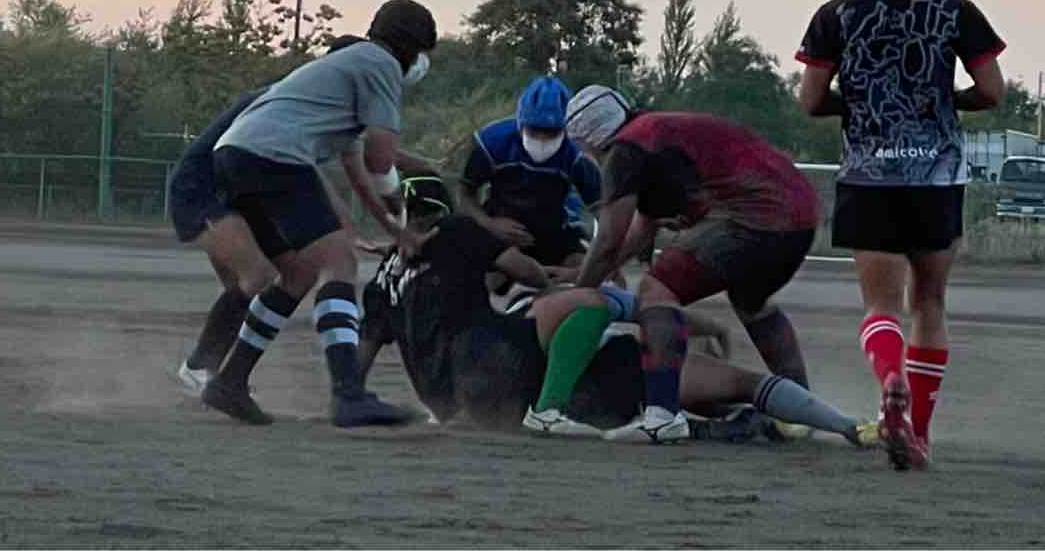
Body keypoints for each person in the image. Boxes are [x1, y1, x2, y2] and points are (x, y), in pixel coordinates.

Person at [358, 168, 870, 445]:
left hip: (458, 402)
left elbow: (358, 360)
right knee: (730, 379)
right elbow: (565, 288)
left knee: (703, 393)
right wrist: (699, 322)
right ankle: (845, 426)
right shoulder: (470, 248)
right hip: (577, 373)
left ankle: (722, 425)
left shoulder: (384, 280)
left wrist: (357, 400)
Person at [795, 0, 1006, 471]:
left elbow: (810, 100)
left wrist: (857, 103)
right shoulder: (955, 9)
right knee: (930, 302)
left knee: (880, 306)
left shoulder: (836, 13)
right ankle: (921, 433)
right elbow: (992, 90)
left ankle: (890, 378)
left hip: (870, 176)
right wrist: (944, 100)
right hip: (936, 177)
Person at [201, 0, 438, 428]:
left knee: (298, 273)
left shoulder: (347, 70)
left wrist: (393, 228)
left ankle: (230, 382)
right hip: (274, 156)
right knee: (339, 263)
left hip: (233, 155)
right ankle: (349, 395)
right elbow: (381, 161)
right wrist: (402, 213)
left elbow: (358, 168)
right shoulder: (382, 65)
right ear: (409, 46)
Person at [563, 88, 824, 444]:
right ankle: (800, 408)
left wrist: (577, 294)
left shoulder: (625, 150)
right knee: (749, 300)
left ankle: (662, 414)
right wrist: (595, 272)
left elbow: (608, 238)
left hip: (756, 214)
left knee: (656, 290)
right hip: (801, 214)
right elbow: (640, 229)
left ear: (592, 138)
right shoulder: (654, 133)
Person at [172, 37, 369, 395]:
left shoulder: (315, 105)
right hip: (202, 187)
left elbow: (311, 173)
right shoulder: (286, 100)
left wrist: (347, 229)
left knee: (291, 273)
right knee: (256, 276)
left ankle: (226, 377)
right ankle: (200, 368)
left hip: (241, 191)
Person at [458, 76, 601, 274]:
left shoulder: (577, 154)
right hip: (498, 231)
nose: (542, 139)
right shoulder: (491, 142)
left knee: (587, 269)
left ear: (566, 129)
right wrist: (489, 224)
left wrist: (603, 255)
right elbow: (465, 194)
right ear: (521, 123)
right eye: (535, 130)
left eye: (551, 133)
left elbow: (602, 210)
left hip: (556, 232)